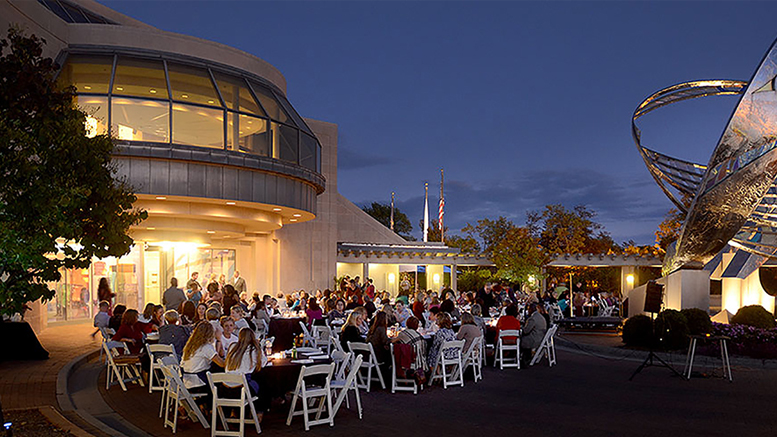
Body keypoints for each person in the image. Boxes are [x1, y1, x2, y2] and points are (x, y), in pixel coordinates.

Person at [223, 328, 268, 417]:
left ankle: (236, 412)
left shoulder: (232, 347)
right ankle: (259, 412)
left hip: (225, 389)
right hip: (242, 389)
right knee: (263, 385)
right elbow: (263, 363)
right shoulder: (254, 350)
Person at [181, 322, 225, 391]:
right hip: (199, 383)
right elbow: (222, 364)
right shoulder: (205, 347)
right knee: (220, 371)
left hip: (187, 380)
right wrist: (219, 340)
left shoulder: (191, 345)